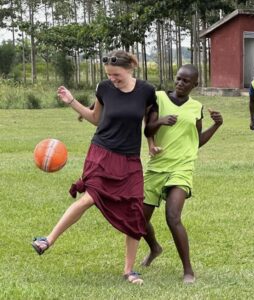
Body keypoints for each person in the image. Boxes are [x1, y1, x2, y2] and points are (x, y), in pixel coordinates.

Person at [31, 50, 157, 285]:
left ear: (130, 68)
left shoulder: (147, 91)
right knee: (89, 198)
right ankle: (47, 239)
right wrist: (71, 102)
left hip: (129, 160)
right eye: (109, 75)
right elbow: (95, 118)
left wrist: (151, 143)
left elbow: (149, 121)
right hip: (101, 153)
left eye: (116, 75)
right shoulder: (104, 88)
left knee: (134, 211)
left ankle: (129, 271)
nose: (113, 79)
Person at [141, 64, 223, 284]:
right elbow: (147, 130)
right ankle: (155, 248)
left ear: (195, 85)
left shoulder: (196, 107)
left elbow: (196, 142)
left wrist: (216, 126)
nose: (180, 83)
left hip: (182, 167)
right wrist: (160, 122)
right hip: (157, 166)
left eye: (186, 81)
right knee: (139, 219)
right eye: (178, 79)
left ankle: (188, 271)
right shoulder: (159, 98)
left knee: (173, 217)